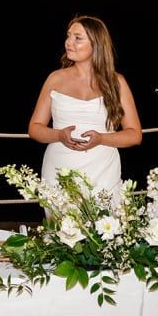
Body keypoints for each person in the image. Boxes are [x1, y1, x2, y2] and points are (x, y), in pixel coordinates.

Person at [27, 15, 142, 193]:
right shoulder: (55, 79)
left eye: (77, 38)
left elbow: (135, 135)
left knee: (105, 220)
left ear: (96, 44)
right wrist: (59, 135)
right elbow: (34, 128)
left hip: (103, 172)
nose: (68, 42)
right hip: (59, 170)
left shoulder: (116, 82)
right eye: (68, 36)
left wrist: (101, 139)